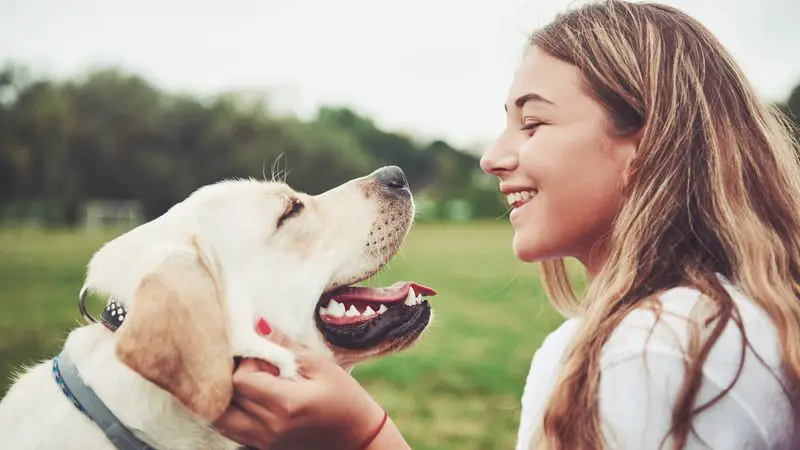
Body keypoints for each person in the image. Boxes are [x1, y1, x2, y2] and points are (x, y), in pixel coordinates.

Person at [213, 1, 800, 449]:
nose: (493, 157)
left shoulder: (652, 350)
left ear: (648, 144)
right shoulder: (737, 318)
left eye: (534, 123)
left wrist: (362, 435)